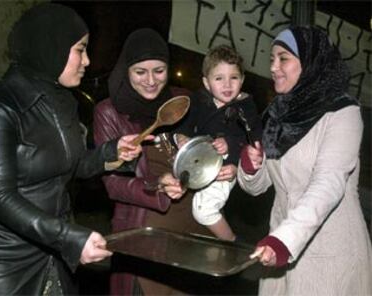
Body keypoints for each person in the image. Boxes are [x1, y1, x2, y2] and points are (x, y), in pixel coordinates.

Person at [0, 4, 146, 295]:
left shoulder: (64, 102)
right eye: (80, 49)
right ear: (50, 46)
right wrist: (69, 238)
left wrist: (111, 153)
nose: (87, 60)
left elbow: (72, 164)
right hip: (1, 260)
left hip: (52, 252)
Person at [238, 26, 372, 295]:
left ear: (310, 62)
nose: (274, 67)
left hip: (329, 253)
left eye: (283, 58)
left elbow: (329, 182)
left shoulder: (342, 111)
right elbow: (261, 186)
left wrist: (285, 241)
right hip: (279, 253)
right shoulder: (276, 115)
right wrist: (251, 167)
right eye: (272, 59)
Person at [93, 28, 212, 295]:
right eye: (140, 72)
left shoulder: (183, 102)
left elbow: (207, 150)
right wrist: (157, 184)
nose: (151, 80)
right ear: (126, 70)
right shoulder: (109, 112)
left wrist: (214, 150)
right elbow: (114, 183)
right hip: (143, 235)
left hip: (191, 232)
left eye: (159, 70)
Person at [174, 44, 262, 242]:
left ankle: (232, 243)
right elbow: (184, 123)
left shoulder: (246, 108)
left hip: (226, 165)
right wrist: (181, 136)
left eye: (234, 77)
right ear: (206, 82)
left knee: (203, 210)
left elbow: (255, 140)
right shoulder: (198, 101)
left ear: (242, 80)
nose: (227, 85)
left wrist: (232, 152)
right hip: (199, 159)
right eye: (219, 78)